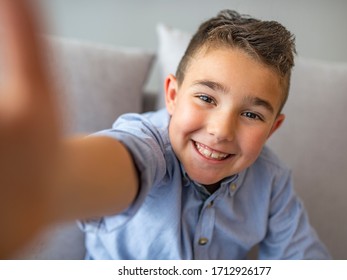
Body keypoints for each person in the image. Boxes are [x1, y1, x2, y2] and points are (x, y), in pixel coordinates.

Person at [0, 0, 330, 259]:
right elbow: (122, 162)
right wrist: (48, 179)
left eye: (251, 115)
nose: (221, 130)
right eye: (206, 98)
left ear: (273, 129)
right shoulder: (149, 143)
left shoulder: (272, 180)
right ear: (172, 95)